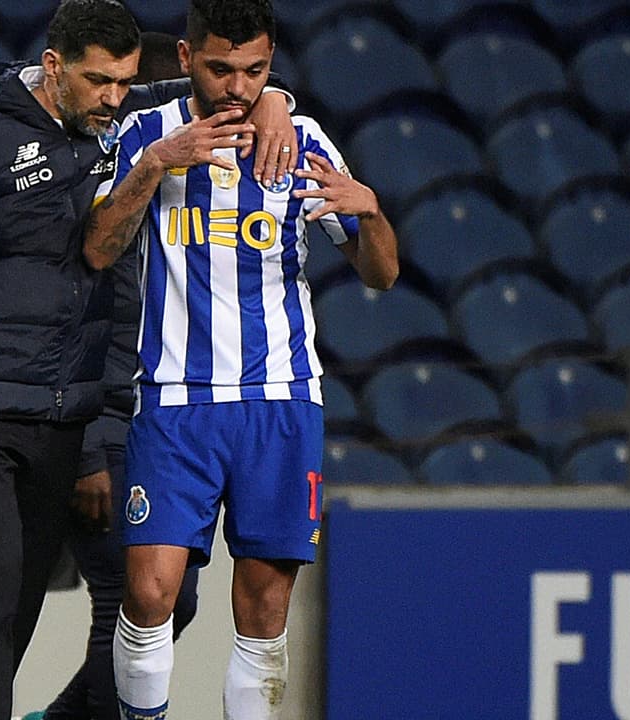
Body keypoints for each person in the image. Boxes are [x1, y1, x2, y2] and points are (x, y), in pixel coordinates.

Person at [0, 1, 299, 717]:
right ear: (54, 66)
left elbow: (224, 87)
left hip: (65, 409)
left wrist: (276, 101)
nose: (115, 99)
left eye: (126, 83)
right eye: (99, 82)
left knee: (15, 612)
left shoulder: (114, 121)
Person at [82, 1, 399, 717]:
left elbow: (381, 275)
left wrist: (371, 210)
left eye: (255, 71)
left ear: (271, 64)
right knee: (149, 593)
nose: (237, 87)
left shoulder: (303, 140)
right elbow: (98, 249)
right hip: (175, 398)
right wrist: (156, 166)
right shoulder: (148, 133)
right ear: (187, 57)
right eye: (220, 68)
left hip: (280, 400)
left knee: (263, 607)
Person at [34, 31, 201, 720]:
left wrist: (278, 104)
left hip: (156, 424)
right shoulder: (91, 194)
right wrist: (88, 451)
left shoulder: (168, 196)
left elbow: (253, 87)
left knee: (167, 603)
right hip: (100, 428)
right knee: (133, 600)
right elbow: (71, 321)